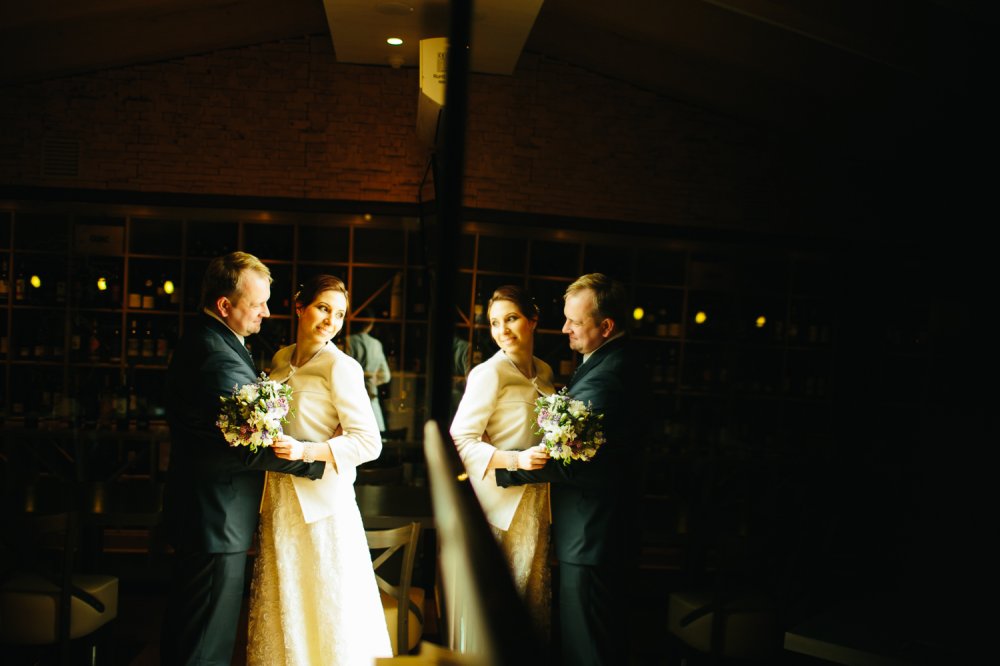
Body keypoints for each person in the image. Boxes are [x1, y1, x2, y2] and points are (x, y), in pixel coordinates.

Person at [160, 252, 327, 666]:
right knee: (204, 647)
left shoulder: (210, 340)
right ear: (224, 305)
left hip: (206, 515)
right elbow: (250, 445)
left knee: (193, 637)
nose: (266, 313)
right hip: (216, 519)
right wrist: (319, 460)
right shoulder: (215, 356)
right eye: (258, 304)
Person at [495, 273, 646, 666]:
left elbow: (569, 460)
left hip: (592, 534)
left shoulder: (608, 377)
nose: (564, 329)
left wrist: (500, 468)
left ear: (606, 326)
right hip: (597, 531)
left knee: (587, 649)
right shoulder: (607, 361)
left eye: (575, 322)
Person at [247, 274, 392, 665]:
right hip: (279, 498)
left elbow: (369, 442)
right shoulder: (281, 359)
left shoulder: (341, 367)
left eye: (339, 314)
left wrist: (306, 449)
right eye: (323, 308)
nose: (331, 320)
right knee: (287, 601)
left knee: (325, 606)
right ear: (300, 307)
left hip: (323, 505)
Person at [450, 285, 555, 649]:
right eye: (495, 323)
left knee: (529, 599)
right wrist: (516, 459)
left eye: (511, 319)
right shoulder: (489, 373)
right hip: (498, 507)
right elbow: (460, 440)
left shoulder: (544, 370)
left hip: (535, 503)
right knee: (496, 607)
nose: (502, 330)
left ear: (533, 320)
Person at [345, 308, 392, 430]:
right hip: (372, 396)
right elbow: (386, 376)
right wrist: (373, 380)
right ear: (371, 324)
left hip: (352, 397)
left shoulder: (348, 341)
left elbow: (345, 372)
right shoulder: (376, 344)